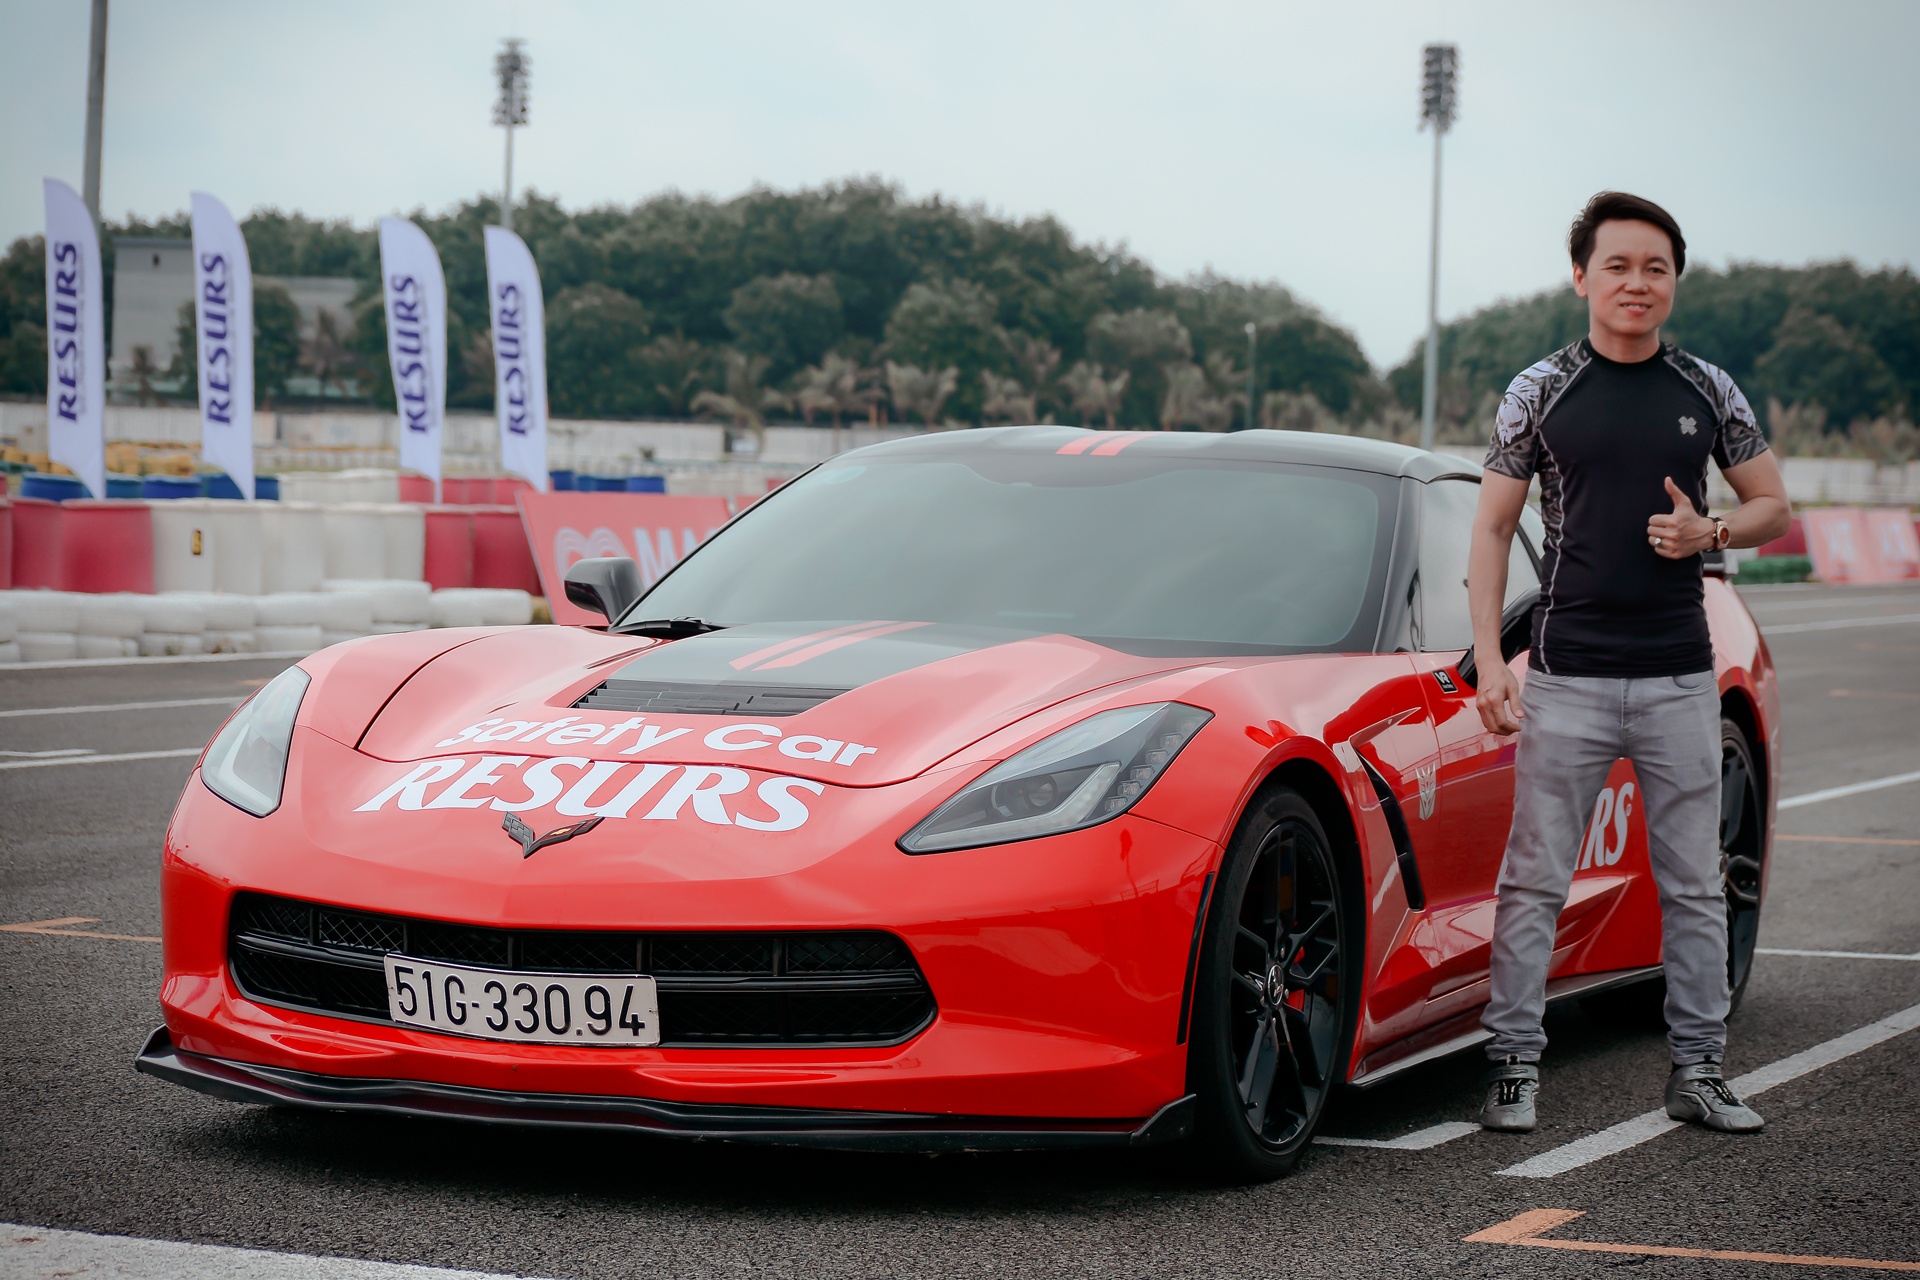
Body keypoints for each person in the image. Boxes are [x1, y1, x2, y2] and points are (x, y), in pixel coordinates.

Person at [1466, 191, 1792, 1134]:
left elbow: (1774, 505)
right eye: (1617, 266)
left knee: (1691, 881)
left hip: (1681, 675)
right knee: (1534, 878)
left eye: (1655, 268)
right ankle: (1515, 1067)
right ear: (1581, 278)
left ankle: (1699, 1069)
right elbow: (1492, 529)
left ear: (1674, 282)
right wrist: (1493, 662)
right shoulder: (1539, 389)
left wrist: (1709, 529)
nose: (1636, 283)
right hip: (1563, 675)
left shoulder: (1708, 388)